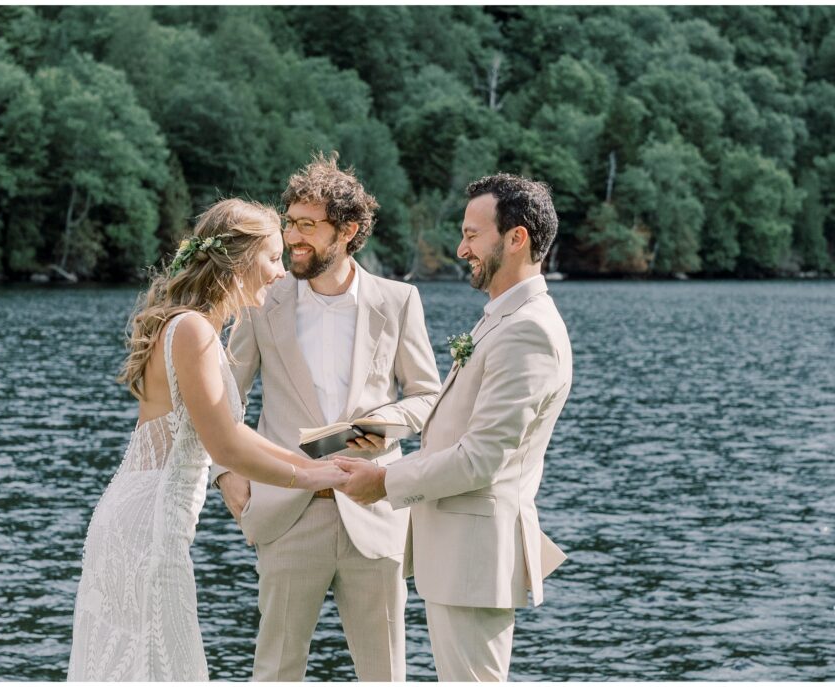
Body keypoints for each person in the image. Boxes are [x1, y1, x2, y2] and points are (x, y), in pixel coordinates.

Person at [67, 199, 349, 681]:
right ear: (239, 261)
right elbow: (226, 448)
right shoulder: (193, 330)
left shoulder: (190, 327)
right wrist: (312, 477)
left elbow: (234, 433)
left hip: (140, 518)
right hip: (149, 527)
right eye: (273, 257)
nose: (282, 272)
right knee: (164, 666)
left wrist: (320, 464)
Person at [211, 153, 440, 681]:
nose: (293, 237)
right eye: (290, 223)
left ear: (348, 230)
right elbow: (223, 395)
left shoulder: (399, 300)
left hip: (374, 510)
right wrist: (225, 474)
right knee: (275, 670)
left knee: (385, 674)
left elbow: (427, 397)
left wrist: (353, 437)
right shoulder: (260, 300)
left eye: (308, 226)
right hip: (288, 511)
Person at [337, 173, 572, 681]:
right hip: (460, 558)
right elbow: (461, 432)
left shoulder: (527, 330)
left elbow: (483, 459)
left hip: (476, 560)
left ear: (516, 238)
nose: (461, 248)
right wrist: (388, 440)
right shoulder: (503, 319)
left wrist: (384, 482)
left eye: (472, 233)